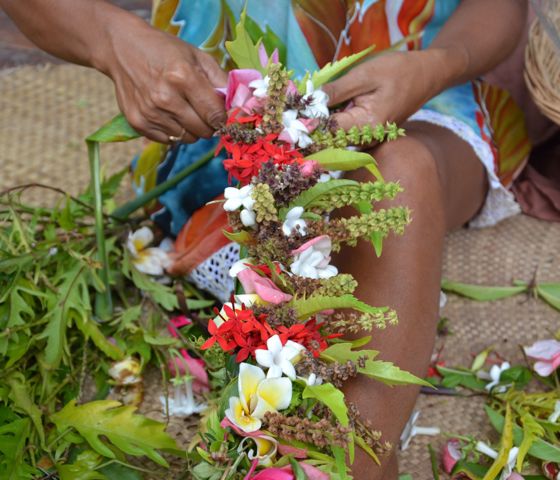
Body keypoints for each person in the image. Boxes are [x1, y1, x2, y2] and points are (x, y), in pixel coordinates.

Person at [1, 0, 529, 477]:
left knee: (400, 169)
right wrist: (112, 37)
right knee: (292, 234)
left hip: (420, 94)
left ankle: (346, 463)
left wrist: (435, 64)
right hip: (215, 122)